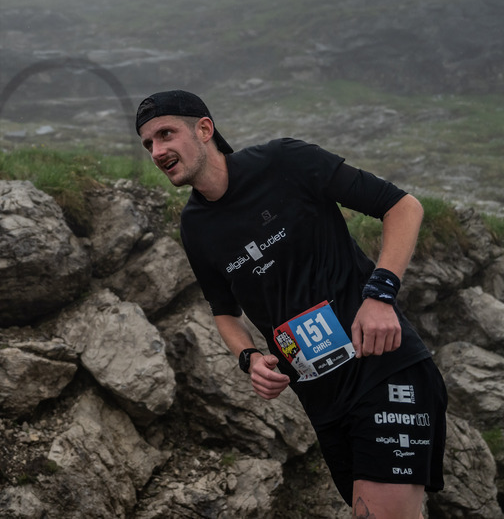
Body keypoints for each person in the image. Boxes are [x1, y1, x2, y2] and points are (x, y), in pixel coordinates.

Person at [135, 89, 447, 518]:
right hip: (322, 398)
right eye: (148, 143)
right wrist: (249, 358)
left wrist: (380, 295)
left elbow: (402, 206)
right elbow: (224, 312)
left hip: (383, 367)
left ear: (204, 129)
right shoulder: (195, 226)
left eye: (166, 134)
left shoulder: (286, 161)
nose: (157, 150)